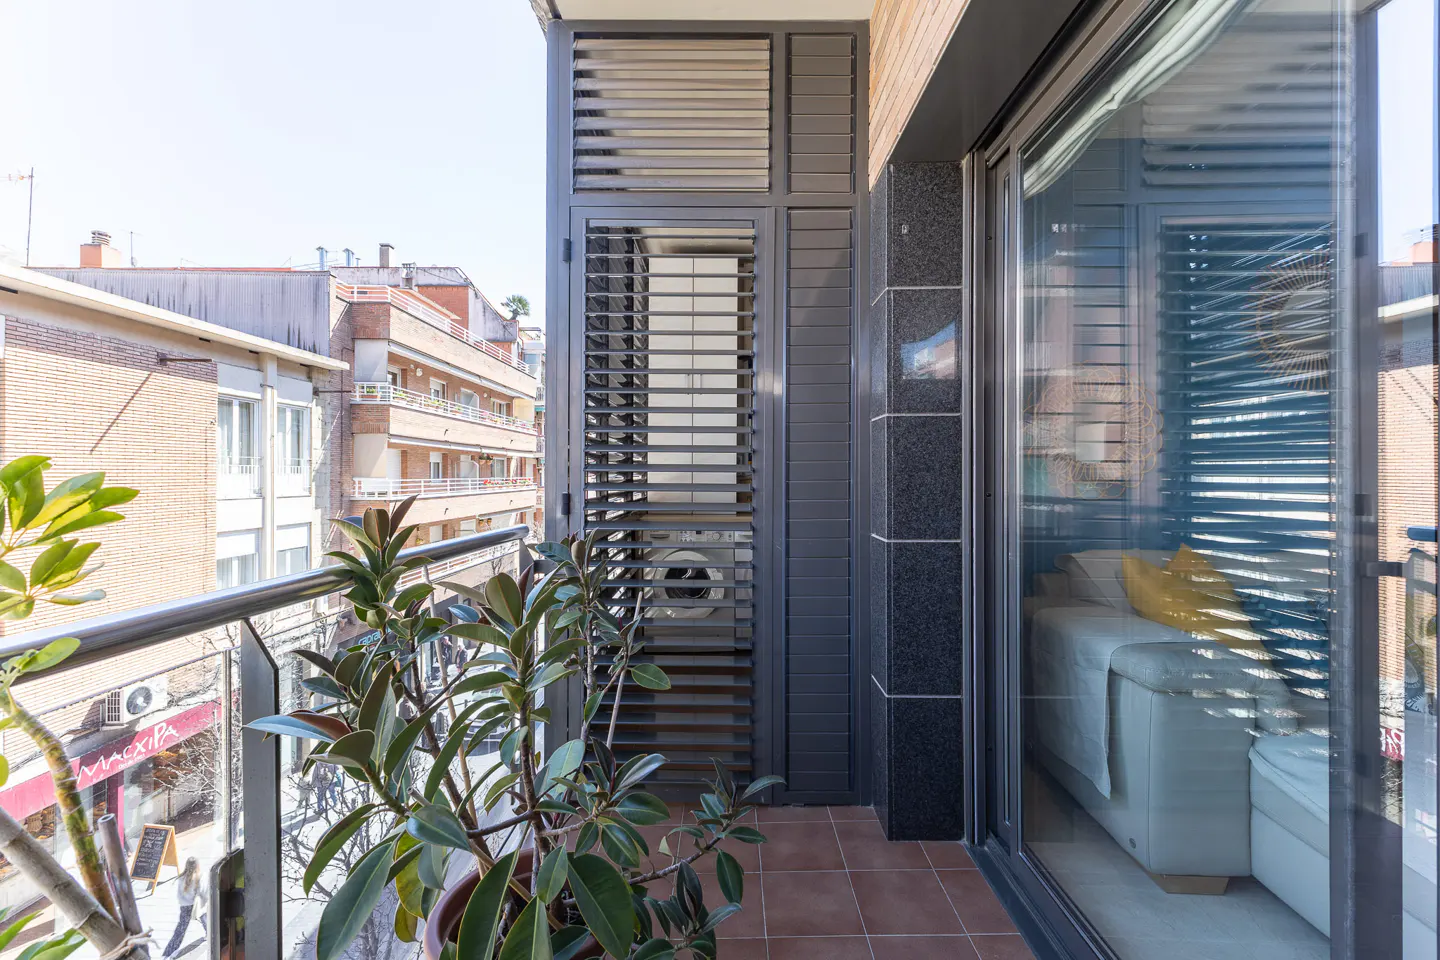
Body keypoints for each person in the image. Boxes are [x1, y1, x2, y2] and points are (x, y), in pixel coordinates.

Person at [161, 857, 207, 959]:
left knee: (180, 930)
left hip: (185, 906)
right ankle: (208, 934)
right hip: (197, 906)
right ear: (197, 866)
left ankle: (169, 952)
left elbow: (179, 895)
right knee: (204, 917)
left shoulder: (181, 878)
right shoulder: (200, 876)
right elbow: (203, 892)